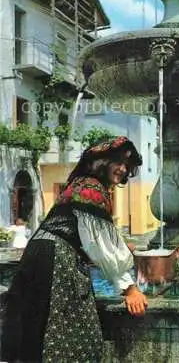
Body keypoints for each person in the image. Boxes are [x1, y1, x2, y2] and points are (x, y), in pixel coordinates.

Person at [1, 136, 148, 362]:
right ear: (102, 161)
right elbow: (100, 245)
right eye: (118, 161)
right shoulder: (90, 189)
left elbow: (89, 235)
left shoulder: (80, 184)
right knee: (72, 335)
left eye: (126, 165)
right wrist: (129, 288)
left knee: (34, 328)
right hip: (56, 258)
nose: (122, 169)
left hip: (41, 252)